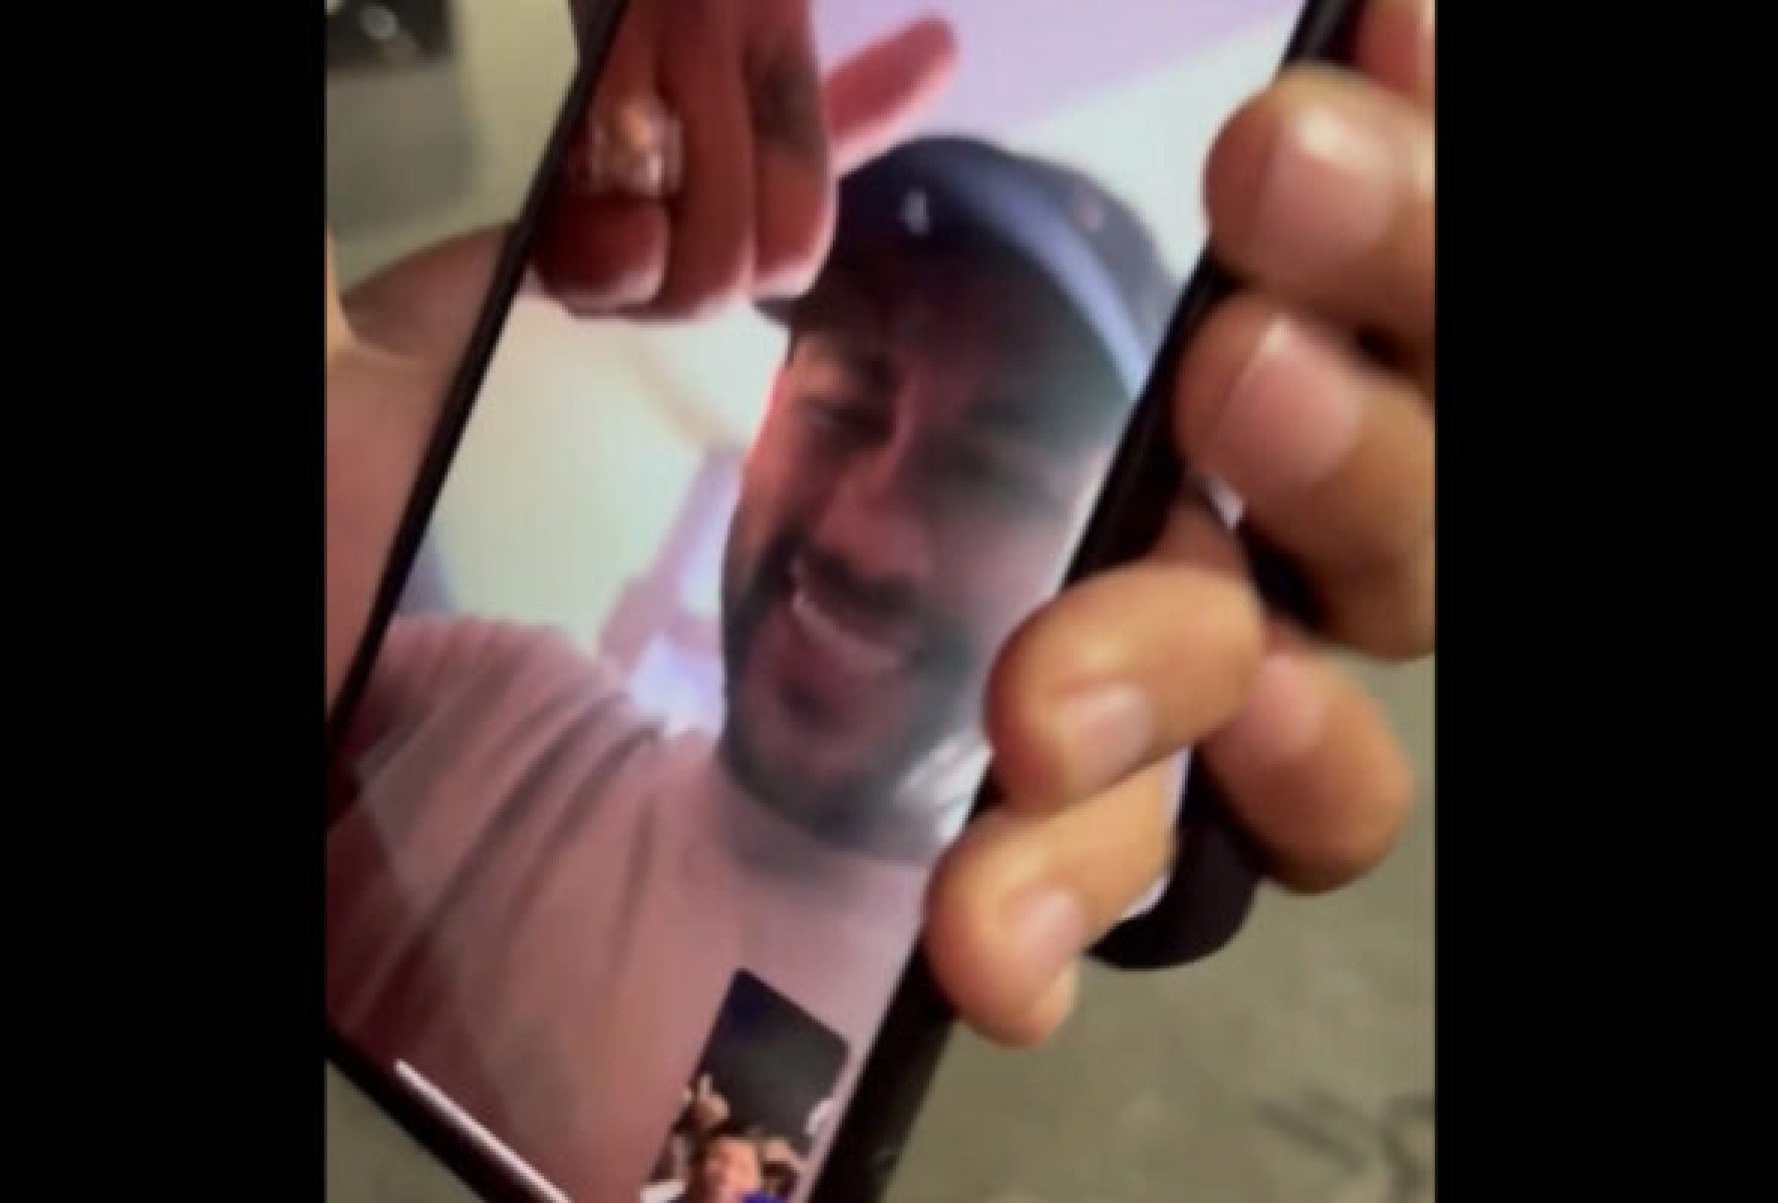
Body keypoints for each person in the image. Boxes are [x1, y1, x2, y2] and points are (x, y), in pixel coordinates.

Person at [326, 0, 1436, 1196]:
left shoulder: (901, 1003)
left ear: (1110, 555)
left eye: (991, 476)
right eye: (845, 405)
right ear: (766, 422)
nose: (867, 539)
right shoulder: (495, 697)